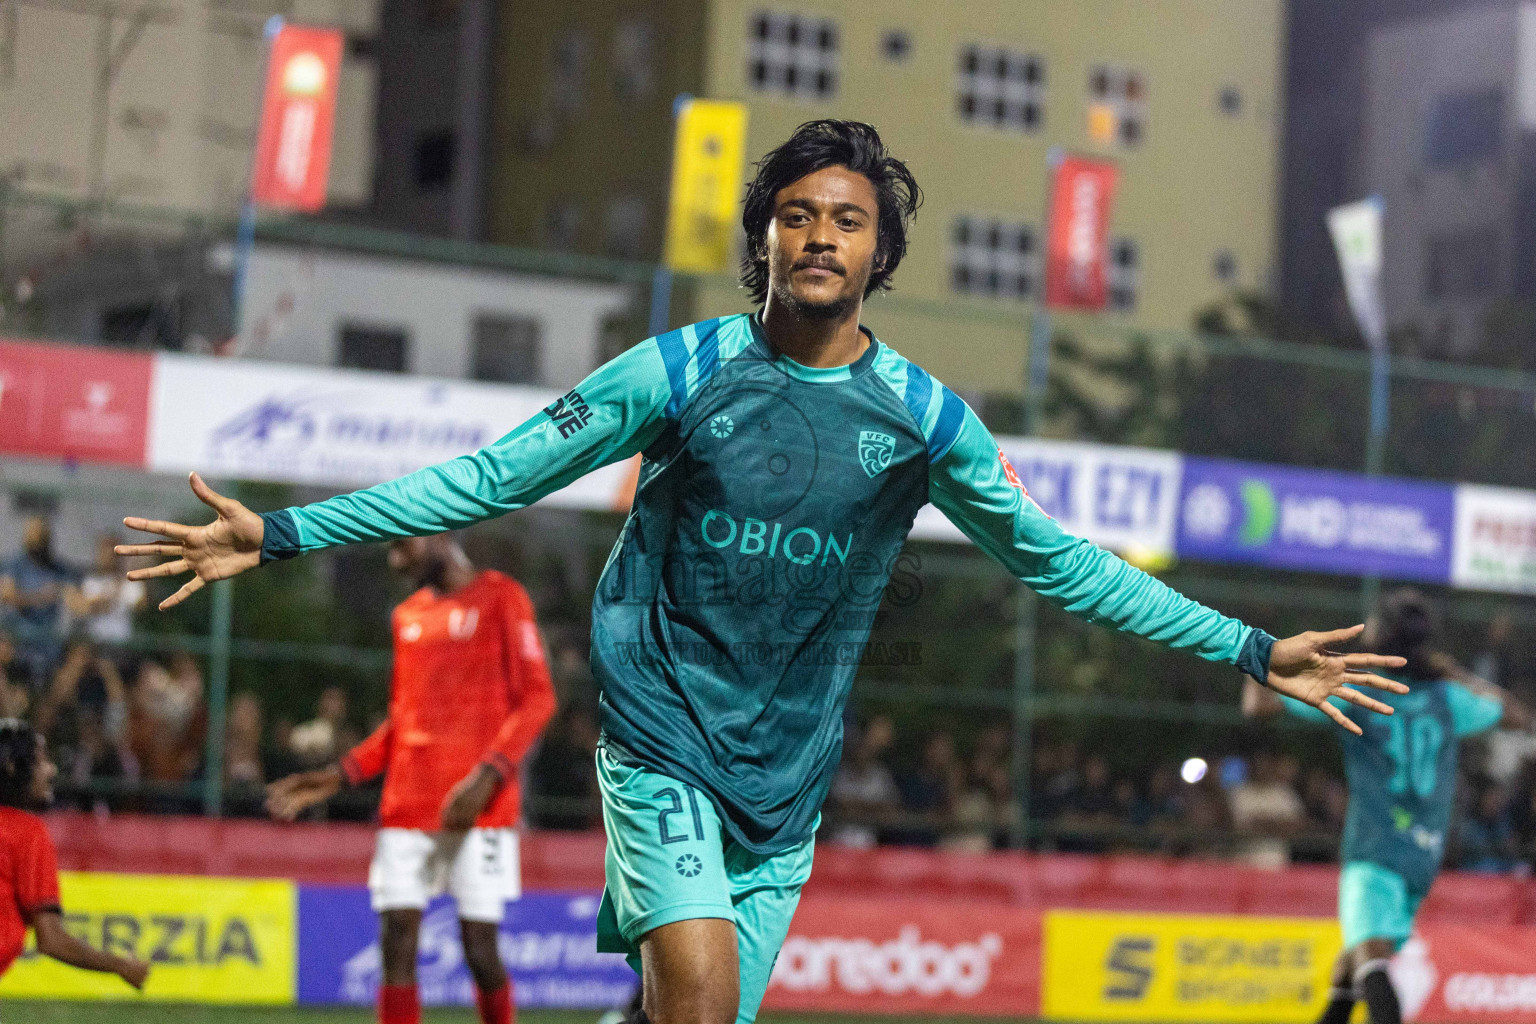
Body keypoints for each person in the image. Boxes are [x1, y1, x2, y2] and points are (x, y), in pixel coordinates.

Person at [120, 119, 1407, 1024]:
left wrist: (1251, 647)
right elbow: (488, 477)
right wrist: (282, 531)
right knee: (698, 998)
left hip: (784, 780)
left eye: (846, 220)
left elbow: (1063, 565)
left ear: (878, 254)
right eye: (795, 214)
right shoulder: (676, 371)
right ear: (767, 236)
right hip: (662, 734)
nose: (817, 235)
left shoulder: (923, 417)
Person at [265, 535, 555, 1024]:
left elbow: (538, 699)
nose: (395, 561)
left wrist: (487, 777)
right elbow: (402, 722)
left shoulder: (502, 595)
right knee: (397, 938)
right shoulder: (407, 617)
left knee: (479, 950)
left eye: (403, 547)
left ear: (440, 534)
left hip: (478, 811)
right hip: (407, 804)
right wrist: (338, 776)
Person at [1243, 588, 1533, 1024]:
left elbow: (1258, 706)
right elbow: (1516, 714)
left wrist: (1258, 651)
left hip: (1374, 848)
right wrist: (1455, 673)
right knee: (1352, 962)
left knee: (1372, 964)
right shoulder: (1446, 699)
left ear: (1377, 632)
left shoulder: (1357, 689)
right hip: (1423, 852)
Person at [0, 718, 150, 988]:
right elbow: (51, 940)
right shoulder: (27, 833)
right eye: (41, 760)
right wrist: (121, 965)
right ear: (12, 768)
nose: (52, 769)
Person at [0, 516, 74, 687]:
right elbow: (8, 597)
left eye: (41, 538)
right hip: (17, 641)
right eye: (32, 537)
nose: (36, 543)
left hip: (49, 644)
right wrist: (41, 596)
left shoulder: (60, 570)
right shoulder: (14, 565)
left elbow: (74, 598)